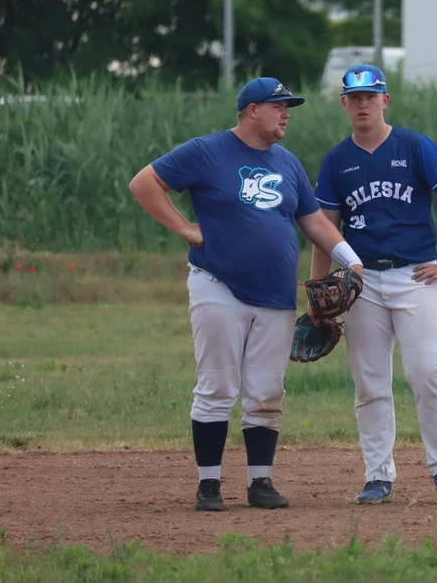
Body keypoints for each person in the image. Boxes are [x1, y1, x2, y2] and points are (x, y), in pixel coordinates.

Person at [128, 77, 363, 512]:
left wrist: (351, 260)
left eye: (288, 106)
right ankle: (209, 485)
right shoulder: (207, 151)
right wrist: (183, 228)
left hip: (275, 295)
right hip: (218, 284)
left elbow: (313, 221)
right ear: (252, 110)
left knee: (267, 390)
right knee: (217, 386)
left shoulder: (288, 163)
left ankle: (260, 482)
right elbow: (144, 183)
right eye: (279, 106)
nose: (286, 112)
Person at [309, 64, 437, 504]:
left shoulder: (413, 146)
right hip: (360, 281)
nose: (363, 104)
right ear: (344, 103)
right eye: (355, 97)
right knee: (370, 382)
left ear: (385, 100)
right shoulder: (337, 160)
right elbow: (325, 228)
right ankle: (378, 475)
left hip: (415, 275)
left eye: (371, 96)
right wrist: (317, 290)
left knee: (427, 374)